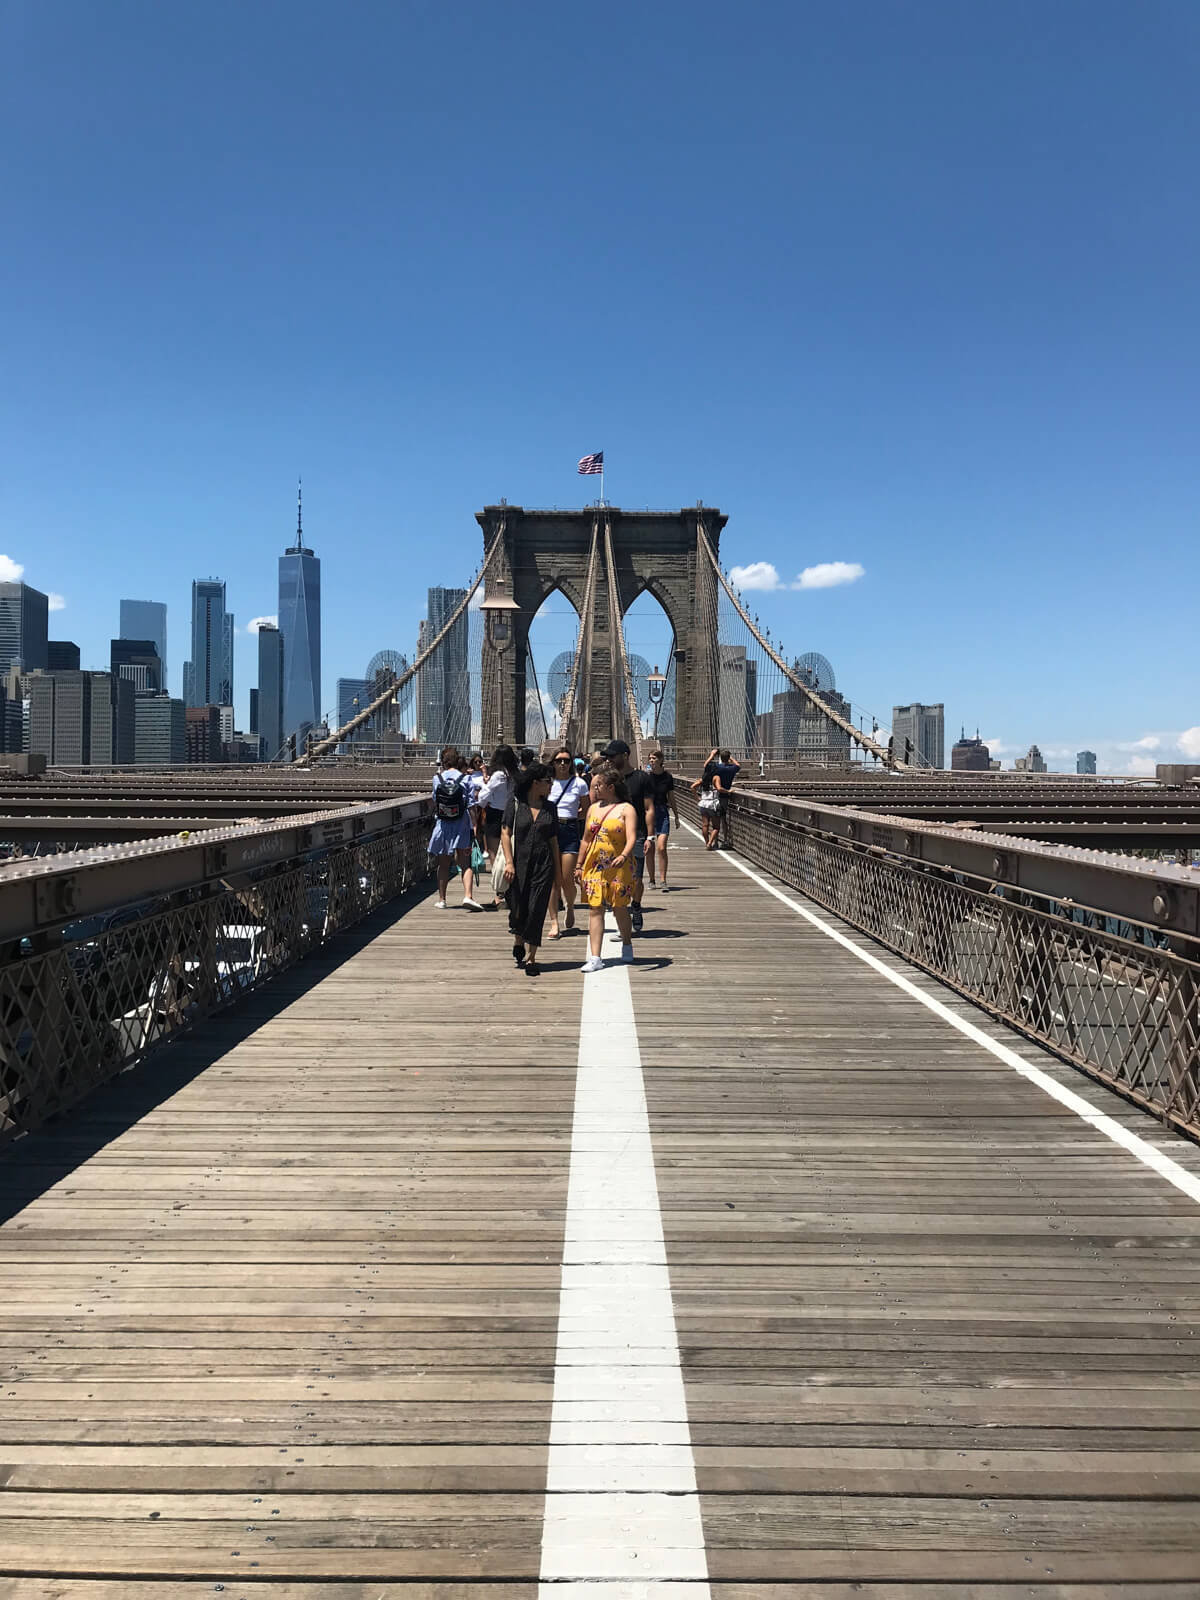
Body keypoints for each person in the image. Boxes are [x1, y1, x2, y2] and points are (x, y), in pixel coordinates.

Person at [501, 761, 562, 977]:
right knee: (518, 907)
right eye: (548, 782)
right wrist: (509, 861)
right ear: (535, 783)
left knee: (537, 908)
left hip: (543, 864)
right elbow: (505, 834)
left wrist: (558, 874)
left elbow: (554, 841)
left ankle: (531, 957)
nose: (551, 785)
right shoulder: (515, 804)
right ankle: (518, 937)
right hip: (518, 864)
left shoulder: (550, 808)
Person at [575, 764, 636, 972]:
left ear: (611, 787)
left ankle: (626, 944)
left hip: (618, 866)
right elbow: (585, 840)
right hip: (594, 865)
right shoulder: (593, 809)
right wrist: (579, 865)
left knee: (619, 908)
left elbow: (632, 837)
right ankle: (595, 958)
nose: (594, 790)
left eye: (598, 785)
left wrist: (624, 855)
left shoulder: (626, 809)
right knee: (595, 909)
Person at [601, 740, 655, 934]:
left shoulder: (642, 778)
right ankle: (621, 914)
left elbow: (649, 808)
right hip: (612, 838)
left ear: (625, 755)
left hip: (638, 835)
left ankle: (637, 905)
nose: (608, 760)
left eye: (612, 756)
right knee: (613, 877)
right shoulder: (608, 780)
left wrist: (651, 836)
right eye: (606, 757)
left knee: (637, 878)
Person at [429, 745, 482, 910]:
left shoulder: (437, 778)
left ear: (444, 763)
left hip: (443, 825)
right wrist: (475, 825)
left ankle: (442, 899)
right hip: (462, 824)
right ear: (458, 761)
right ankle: (468, 896)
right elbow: (472, 805)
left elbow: (435, 800)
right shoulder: (466, 779)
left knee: (443, 863)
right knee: (465, 863)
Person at [546, 747, 591, 938]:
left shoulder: (579, 783)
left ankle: (570, 906)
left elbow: (587, 810)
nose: (562, 764)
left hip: (570, 829)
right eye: (559, 760)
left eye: (566, 760)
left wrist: (572, 817)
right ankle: (554, 923)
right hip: (550, 830)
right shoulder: (546, 783)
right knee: (551, 880)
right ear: (553, 763)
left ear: (571, 763)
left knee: (567, 879)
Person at [476, 744, 519, 900]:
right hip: (512, 813)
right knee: (511, 851)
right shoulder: (516, 774)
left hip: (495, 815)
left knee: (494, 854)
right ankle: (511, 886)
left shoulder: (498, 775)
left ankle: (500, 890)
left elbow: (482, 798)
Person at [644, 749, 680, 891]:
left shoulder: (668, 777)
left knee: (661, 847)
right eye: (650, 758)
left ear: (660, 760)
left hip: (663, 812)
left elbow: (671, 797)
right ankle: (652, 880)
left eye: (654, 758)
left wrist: (676, 816)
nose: (651, 760)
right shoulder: (646, 778)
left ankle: (663, 880)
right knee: (650, 849)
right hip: (649, 814)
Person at [692, 747, 741, 850]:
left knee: (706, 824)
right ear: (728, 758)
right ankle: (724, 840)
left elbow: (706, 766)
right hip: (720, 798)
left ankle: (712, 843)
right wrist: (730, 758)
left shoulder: (716, 768)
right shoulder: (732, 768)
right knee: (720, 822)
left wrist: (712, 755)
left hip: (705, 802)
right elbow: (738, 765)